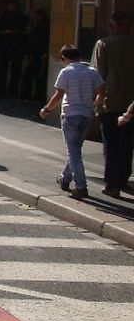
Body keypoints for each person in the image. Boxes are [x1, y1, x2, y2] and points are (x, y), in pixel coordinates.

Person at [39, 44, 105, 200]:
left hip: (70, 115)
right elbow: (102, 93)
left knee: (73, 151)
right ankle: (65, 178)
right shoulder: (92, 71)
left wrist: (46, 109)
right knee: (75, 149)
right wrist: (93, 105)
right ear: (79, 57)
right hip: (86, 115)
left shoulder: (66, 72)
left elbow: (59, 94)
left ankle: (81, 186)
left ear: (64, 58)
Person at [92, 12, 134, 198]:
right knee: (127, 142)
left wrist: (97, 100)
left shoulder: (103, 44)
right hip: (131, 102)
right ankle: (123, 177)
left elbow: (98, 75)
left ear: (112, 25)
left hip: (110, 101)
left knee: (111, 143)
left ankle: (112, 183)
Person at [0, 0, 28, 98]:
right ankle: (1, 90)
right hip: (4, 46)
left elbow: (26, 30)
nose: (11, 9)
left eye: (13, 7)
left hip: (17, 46)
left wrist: (16, 32)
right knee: (2, 69)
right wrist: (2, 33)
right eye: (10, 7)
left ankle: (12, 90)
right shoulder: (3, 17)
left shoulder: (22, 18)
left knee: (16, 70)